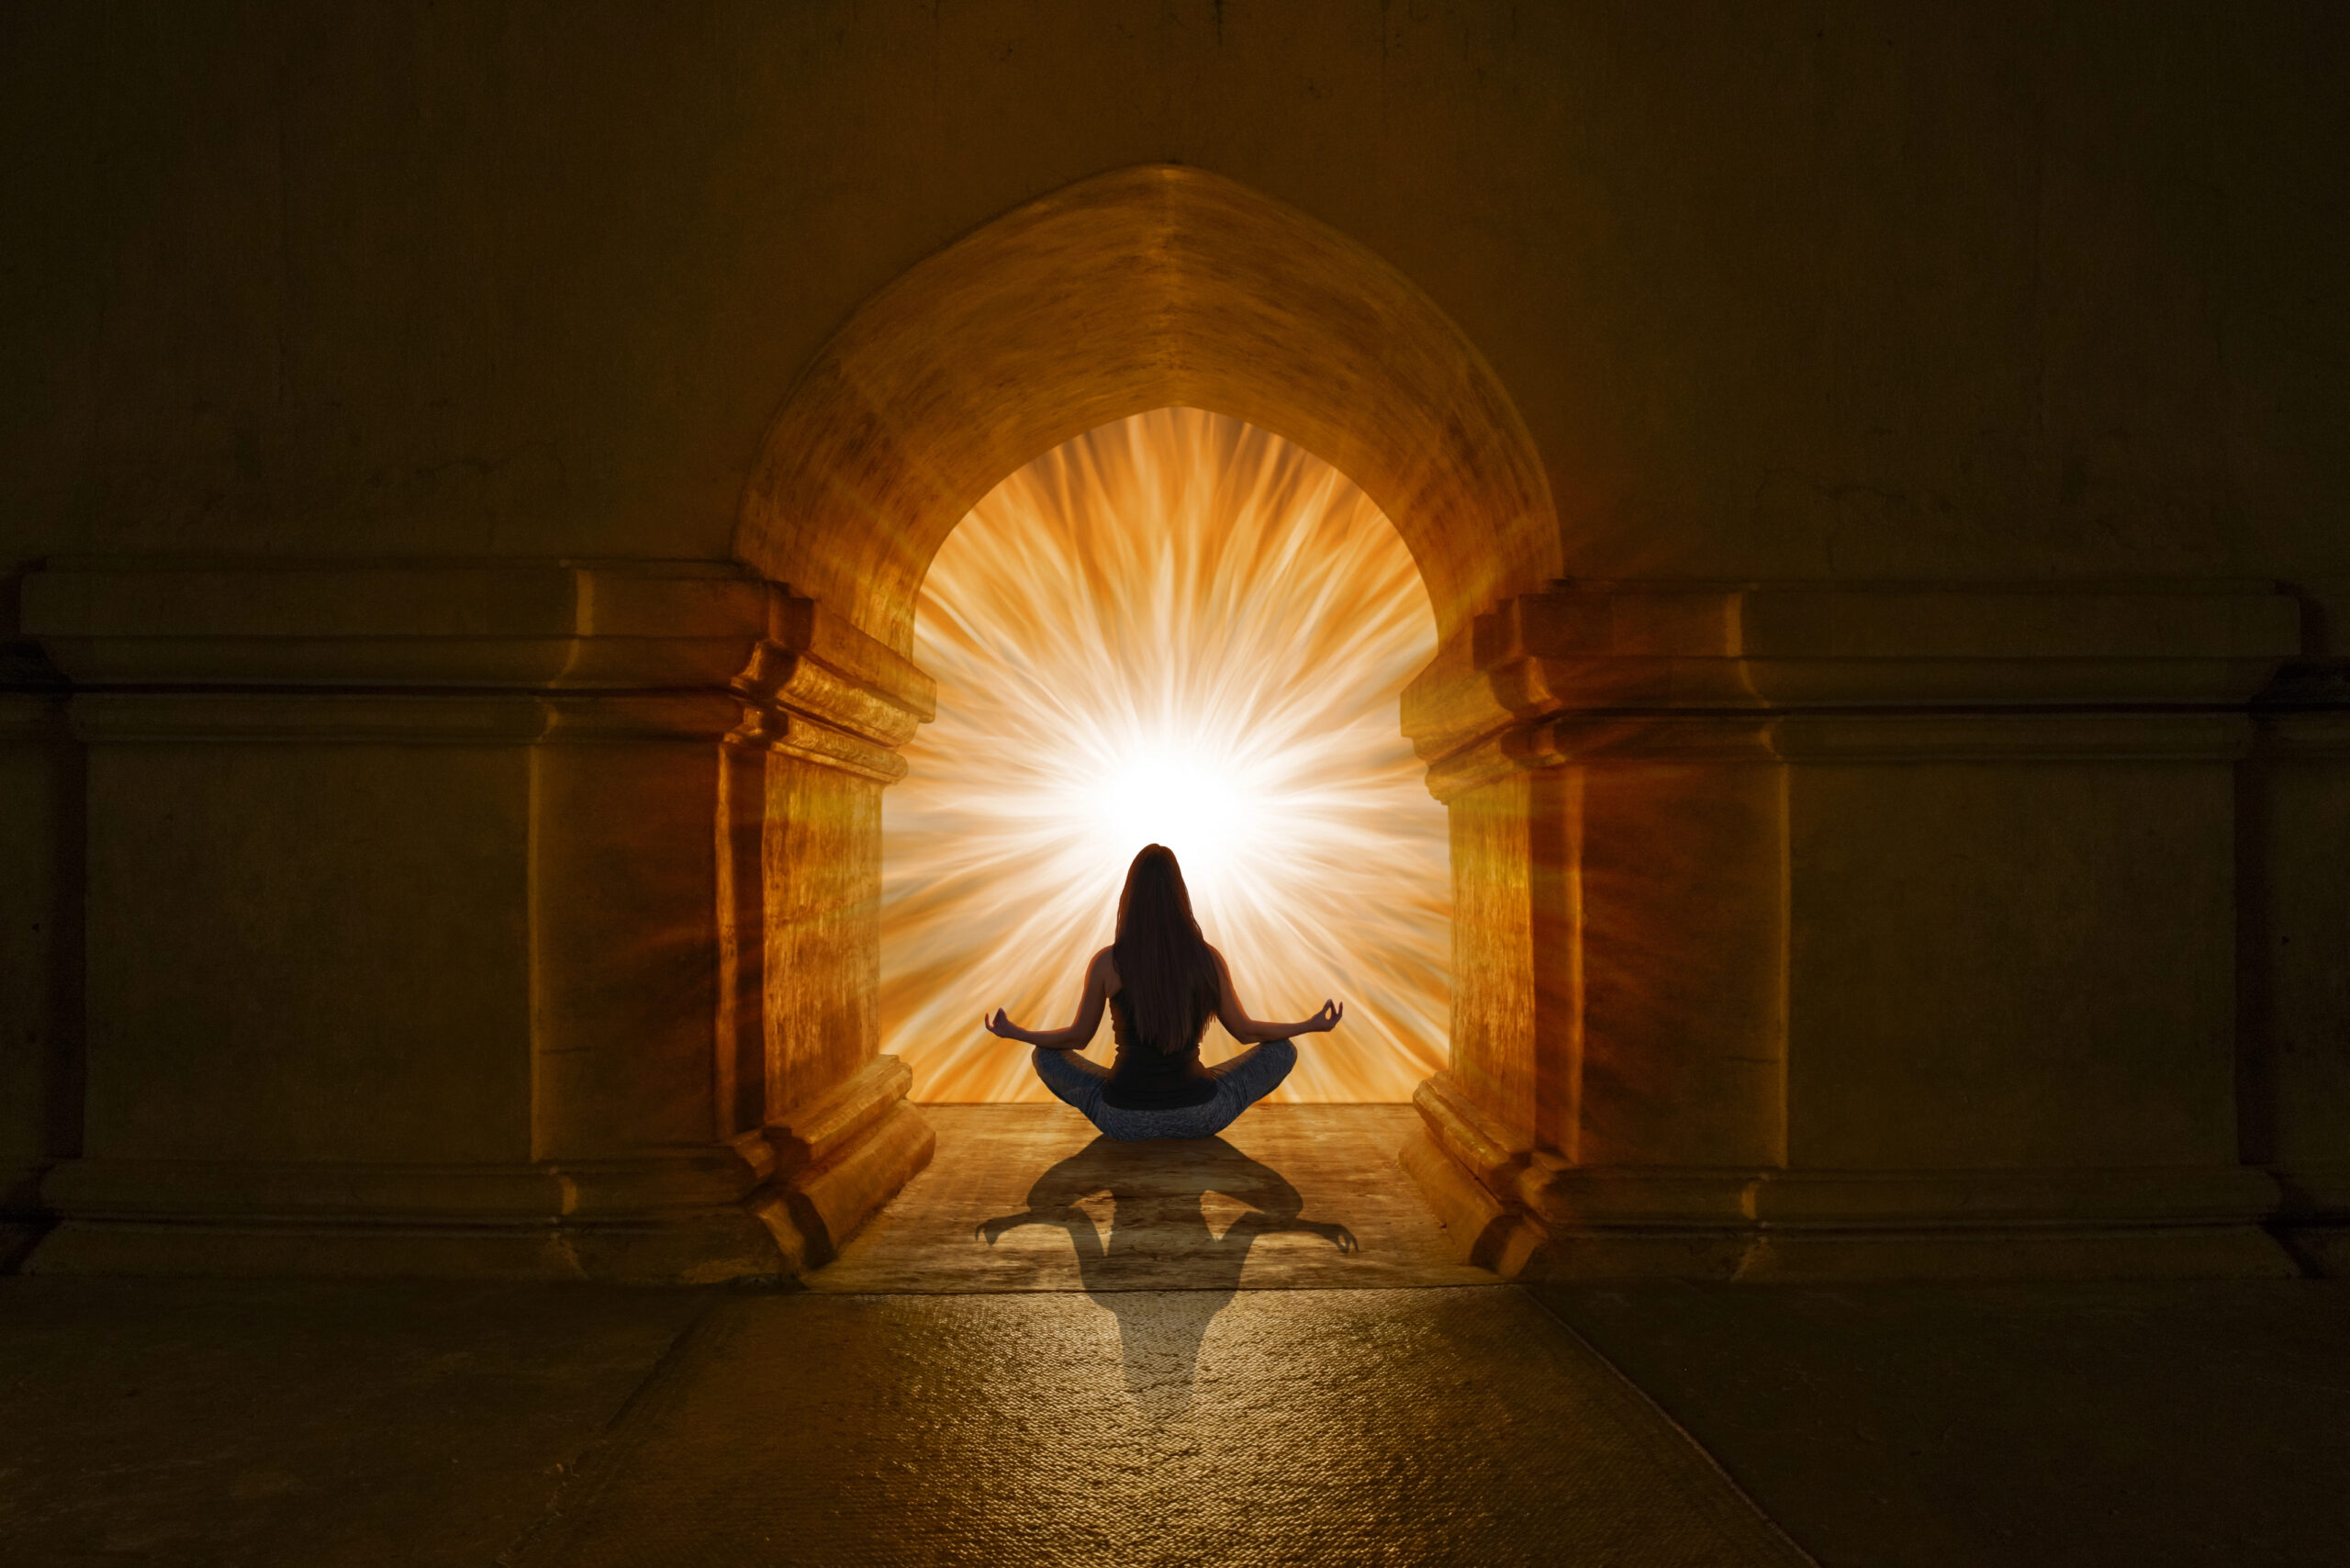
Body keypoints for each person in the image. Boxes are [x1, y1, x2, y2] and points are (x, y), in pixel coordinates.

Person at [980, 844, 1343, 1141]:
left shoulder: (1108, 963)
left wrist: (1017, 1033)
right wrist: (1308, 1025)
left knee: (1046, 1057)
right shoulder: (1207, 960)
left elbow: (1077, 1038)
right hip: (1201, 1116)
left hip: (1122, 1119)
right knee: (1282, 1051)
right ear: (1180, 897)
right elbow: (1246, 1032)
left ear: (1129, 898)